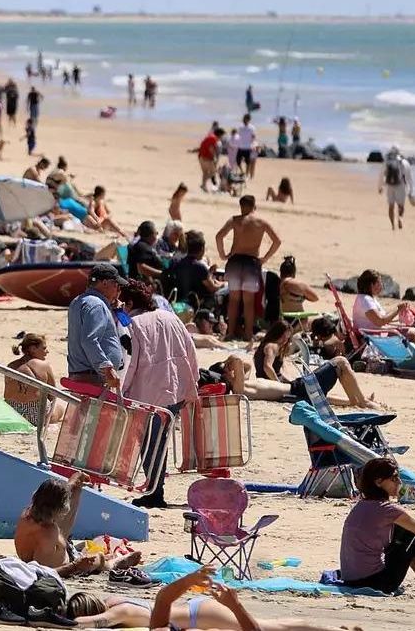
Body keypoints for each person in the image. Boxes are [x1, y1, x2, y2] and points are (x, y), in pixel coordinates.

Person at [119, 280, 199, 508]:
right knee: (159, 443)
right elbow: (190, 351)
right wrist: (192, 384)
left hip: (148, 393)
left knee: (149, 445)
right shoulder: (171, 317)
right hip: (175, 390)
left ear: (130, 302)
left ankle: (155, 493)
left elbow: (130, 364)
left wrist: (121, 392)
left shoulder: (132, 325)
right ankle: (155, 489)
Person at [67, 566, 332, 629]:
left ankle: (330, 629)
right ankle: (327, 628)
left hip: (197, 614)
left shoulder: (118, 613)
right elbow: (162, 598)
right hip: (189, 607)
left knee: (266, 627)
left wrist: (60, 620)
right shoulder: (112, 599)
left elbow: (90, 622)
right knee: (272, 625)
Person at [339, 457, 415, 596]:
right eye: (394, 478)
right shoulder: (387, 509)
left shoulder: (361, 505)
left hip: (351, 580)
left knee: (407, 534)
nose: (399, 482)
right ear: (379, 482)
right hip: (375, 582)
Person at [13, 474, 141, 578]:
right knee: (97, 559)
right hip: (66, 567)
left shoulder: (28, 514)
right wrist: (76, 566)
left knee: (76, 490)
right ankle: (113, 563)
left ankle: (76, 485)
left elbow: (51, 497)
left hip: (55, 550)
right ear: (58, 508)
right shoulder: (48, 534)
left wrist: (72, 483)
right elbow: (42, 572)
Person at [214, 195, 281, 341]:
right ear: (254, 206)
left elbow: (219, 236)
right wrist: (265, 258)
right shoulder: (261, 222)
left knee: (233, 300)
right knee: (248, 302)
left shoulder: (235, 220)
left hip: (235, 261)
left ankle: (230, 333)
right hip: (251, 262)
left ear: (241, 206)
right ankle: (248, 334)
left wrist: (223, 255)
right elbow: (277, 241)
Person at [219, 349, 377, 408]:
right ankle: (362, 402)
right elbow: (239, 362)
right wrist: (230, 361)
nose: (232, 371)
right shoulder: (240, 389)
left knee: (323, 397)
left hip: (298, 389)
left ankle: (354, 401)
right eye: (228, 370)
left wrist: (227, 366)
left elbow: (246, 366)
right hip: (298, 388)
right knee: (340, 362)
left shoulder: (244, 383)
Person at [67, 263, 125, 388]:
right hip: (94, 376)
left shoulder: (80, 301)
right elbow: (89, 340)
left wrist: (118, 311)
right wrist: (106, 367)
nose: (118, 291)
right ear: (104, 283)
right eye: (116, 285)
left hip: (85, 373)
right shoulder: (97, 305)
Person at [6, 332, 60, 464]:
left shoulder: (10, 366)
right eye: (44, 348)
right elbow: (53, 394)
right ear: (32, 349)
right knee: (60, 409)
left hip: (12, 412)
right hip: (36, 414)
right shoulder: (44, 365)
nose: (47, 352)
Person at [380, 147, 415, 231]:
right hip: (401, 186)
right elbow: (409, 178)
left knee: (391, 206)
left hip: (389, 186)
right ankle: (400, 218)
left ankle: (392, 225)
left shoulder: (387, 162)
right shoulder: (404, 162)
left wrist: (381, 186)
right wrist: (411, 191)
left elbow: (382, 175)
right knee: (401, 206)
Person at [195, 126, 224, 191]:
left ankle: (204, 186)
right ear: (220, 134)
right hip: (206, 158)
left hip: (201, 156)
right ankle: (203, 184)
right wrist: (214, 158)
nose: (222, 137)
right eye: (222, 135)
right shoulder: (214, 139)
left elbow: (203, 146)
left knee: (205, 172)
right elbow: (211, 148)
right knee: (213, 172)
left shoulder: (209, 137)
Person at [230, 114, 258, 180]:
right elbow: (237, 136)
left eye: (246, 119)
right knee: (238, 161)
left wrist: (254, 144)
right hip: (240, 146)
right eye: (244, 118)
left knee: (248, 162)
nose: (245, 120)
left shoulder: (252, 128)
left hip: (248, 147)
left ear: (249, 120)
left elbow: (254, 137)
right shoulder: (240, 127)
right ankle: (242, 172)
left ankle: (247, 175)